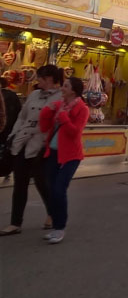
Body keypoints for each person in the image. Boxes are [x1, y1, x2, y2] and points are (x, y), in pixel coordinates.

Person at [0, 65, 62, 236]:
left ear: (49, 79)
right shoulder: (34, 94)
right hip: (22, 142)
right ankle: (15, 223)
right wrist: (14, 135)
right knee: (20, 183)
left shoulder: (61, 97)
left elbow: (57, 124)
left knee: (43, 183)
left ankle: (53, 213)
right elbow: (22, 116)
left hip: (41, 145)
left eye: (41, 77)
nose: (38, 81)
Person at [38, 76, 88, 244]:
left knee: (59, 189)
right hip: (52, 153)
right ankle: (55, 226)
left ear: (73, 90)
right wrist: (46, 112)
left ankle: (59, 227)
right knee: (51, 190)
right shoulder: (59, 105)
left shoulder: (82, 109)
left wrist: (65, 118)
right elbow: (45, 127)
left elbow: (75, 132)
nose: (62, 88)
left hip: (71, 156)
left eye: (65, 86)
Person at [0, 75, 22, 180]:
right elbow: (19, 111)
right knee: (6, 149)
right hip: (10, 127)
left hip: (2, 126)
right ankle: (6, 170)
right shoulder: (13, 95)